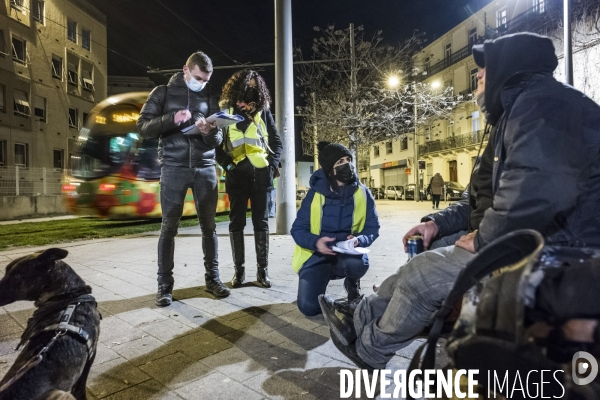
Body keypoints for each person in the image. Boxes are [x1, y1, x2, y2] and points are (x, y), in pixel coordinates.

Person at [319, 32, 600, 370]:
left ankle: (370, 349)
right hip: (523, 237)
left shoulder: (543, 107)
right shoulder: (511, 116)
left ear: (509, 68)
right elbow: (477, 198)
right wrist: (436, 223)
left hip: (561, 249)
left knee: (424, 274)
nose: (476, 79)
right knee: (420, 255)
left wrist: (483, 239)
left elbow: (537, 192)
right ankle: (360, 319)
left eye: (483, 71)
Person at [137, 51, 231, 306]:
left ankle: (213, 280)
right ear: (186, 70)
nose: (201, 83)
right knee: (169, 228)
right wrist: (171, 119)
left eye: (206, 80)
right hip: (174, 167)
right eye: (198, 78)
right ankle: (164, 287)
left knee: (209, 228)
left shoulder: (209, 96)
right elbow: (143, 127)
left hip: (205, 168)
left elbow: (218, 140)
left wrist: (208, 132)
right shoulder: (162, 93)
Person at [291, 141, 380, 317]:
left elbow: (373, 227)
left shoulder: (362, 192)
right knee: (308, 308)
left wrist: (359, 240)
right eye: (340, 162)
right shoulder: (314, 194)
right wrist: (317, 242)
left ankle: (352, 283)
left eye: (348, 159)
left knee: (358, 263)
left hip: (347, 254)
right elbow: (298, 229)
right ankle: (320, 282)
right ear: (329, 169)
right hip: (317, 256)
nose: (347, 164)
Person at [216, 70, 283, 289]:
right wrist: (228, 166)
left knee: (260, 224)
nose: (250, 90)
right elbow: (216, 147)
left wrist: (271, 165)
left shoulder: (263, 112)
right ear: (236, 88)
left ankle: (262, 272)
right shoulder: (226, 112)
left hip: (261, 176)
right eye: (247, 86)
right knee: (236, 224)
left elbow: (277, 143)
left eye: (255, 87)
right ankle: (239, 273)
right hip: (236, 177)